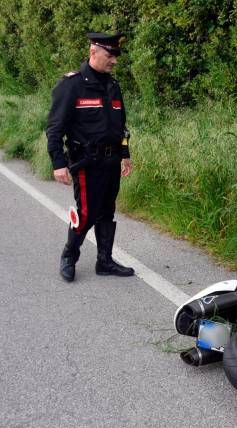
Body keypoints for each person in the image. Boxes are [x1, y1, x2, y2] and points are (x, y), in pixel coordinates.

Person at [46, 32, 134, 282]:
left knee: (107, 211)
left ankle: (104, 261)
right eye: (110, 55)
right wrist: (58, 163)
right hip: (86, 162)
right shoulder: (71, 85)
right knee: (86, 213)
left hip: (111, 160)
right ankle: (69, 255)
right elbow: (54, 128)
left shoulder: (113, 86)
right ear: (93, 52)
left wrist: (125, 154)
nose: (114, 61)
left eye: (116, 56)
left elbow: (122, 126)